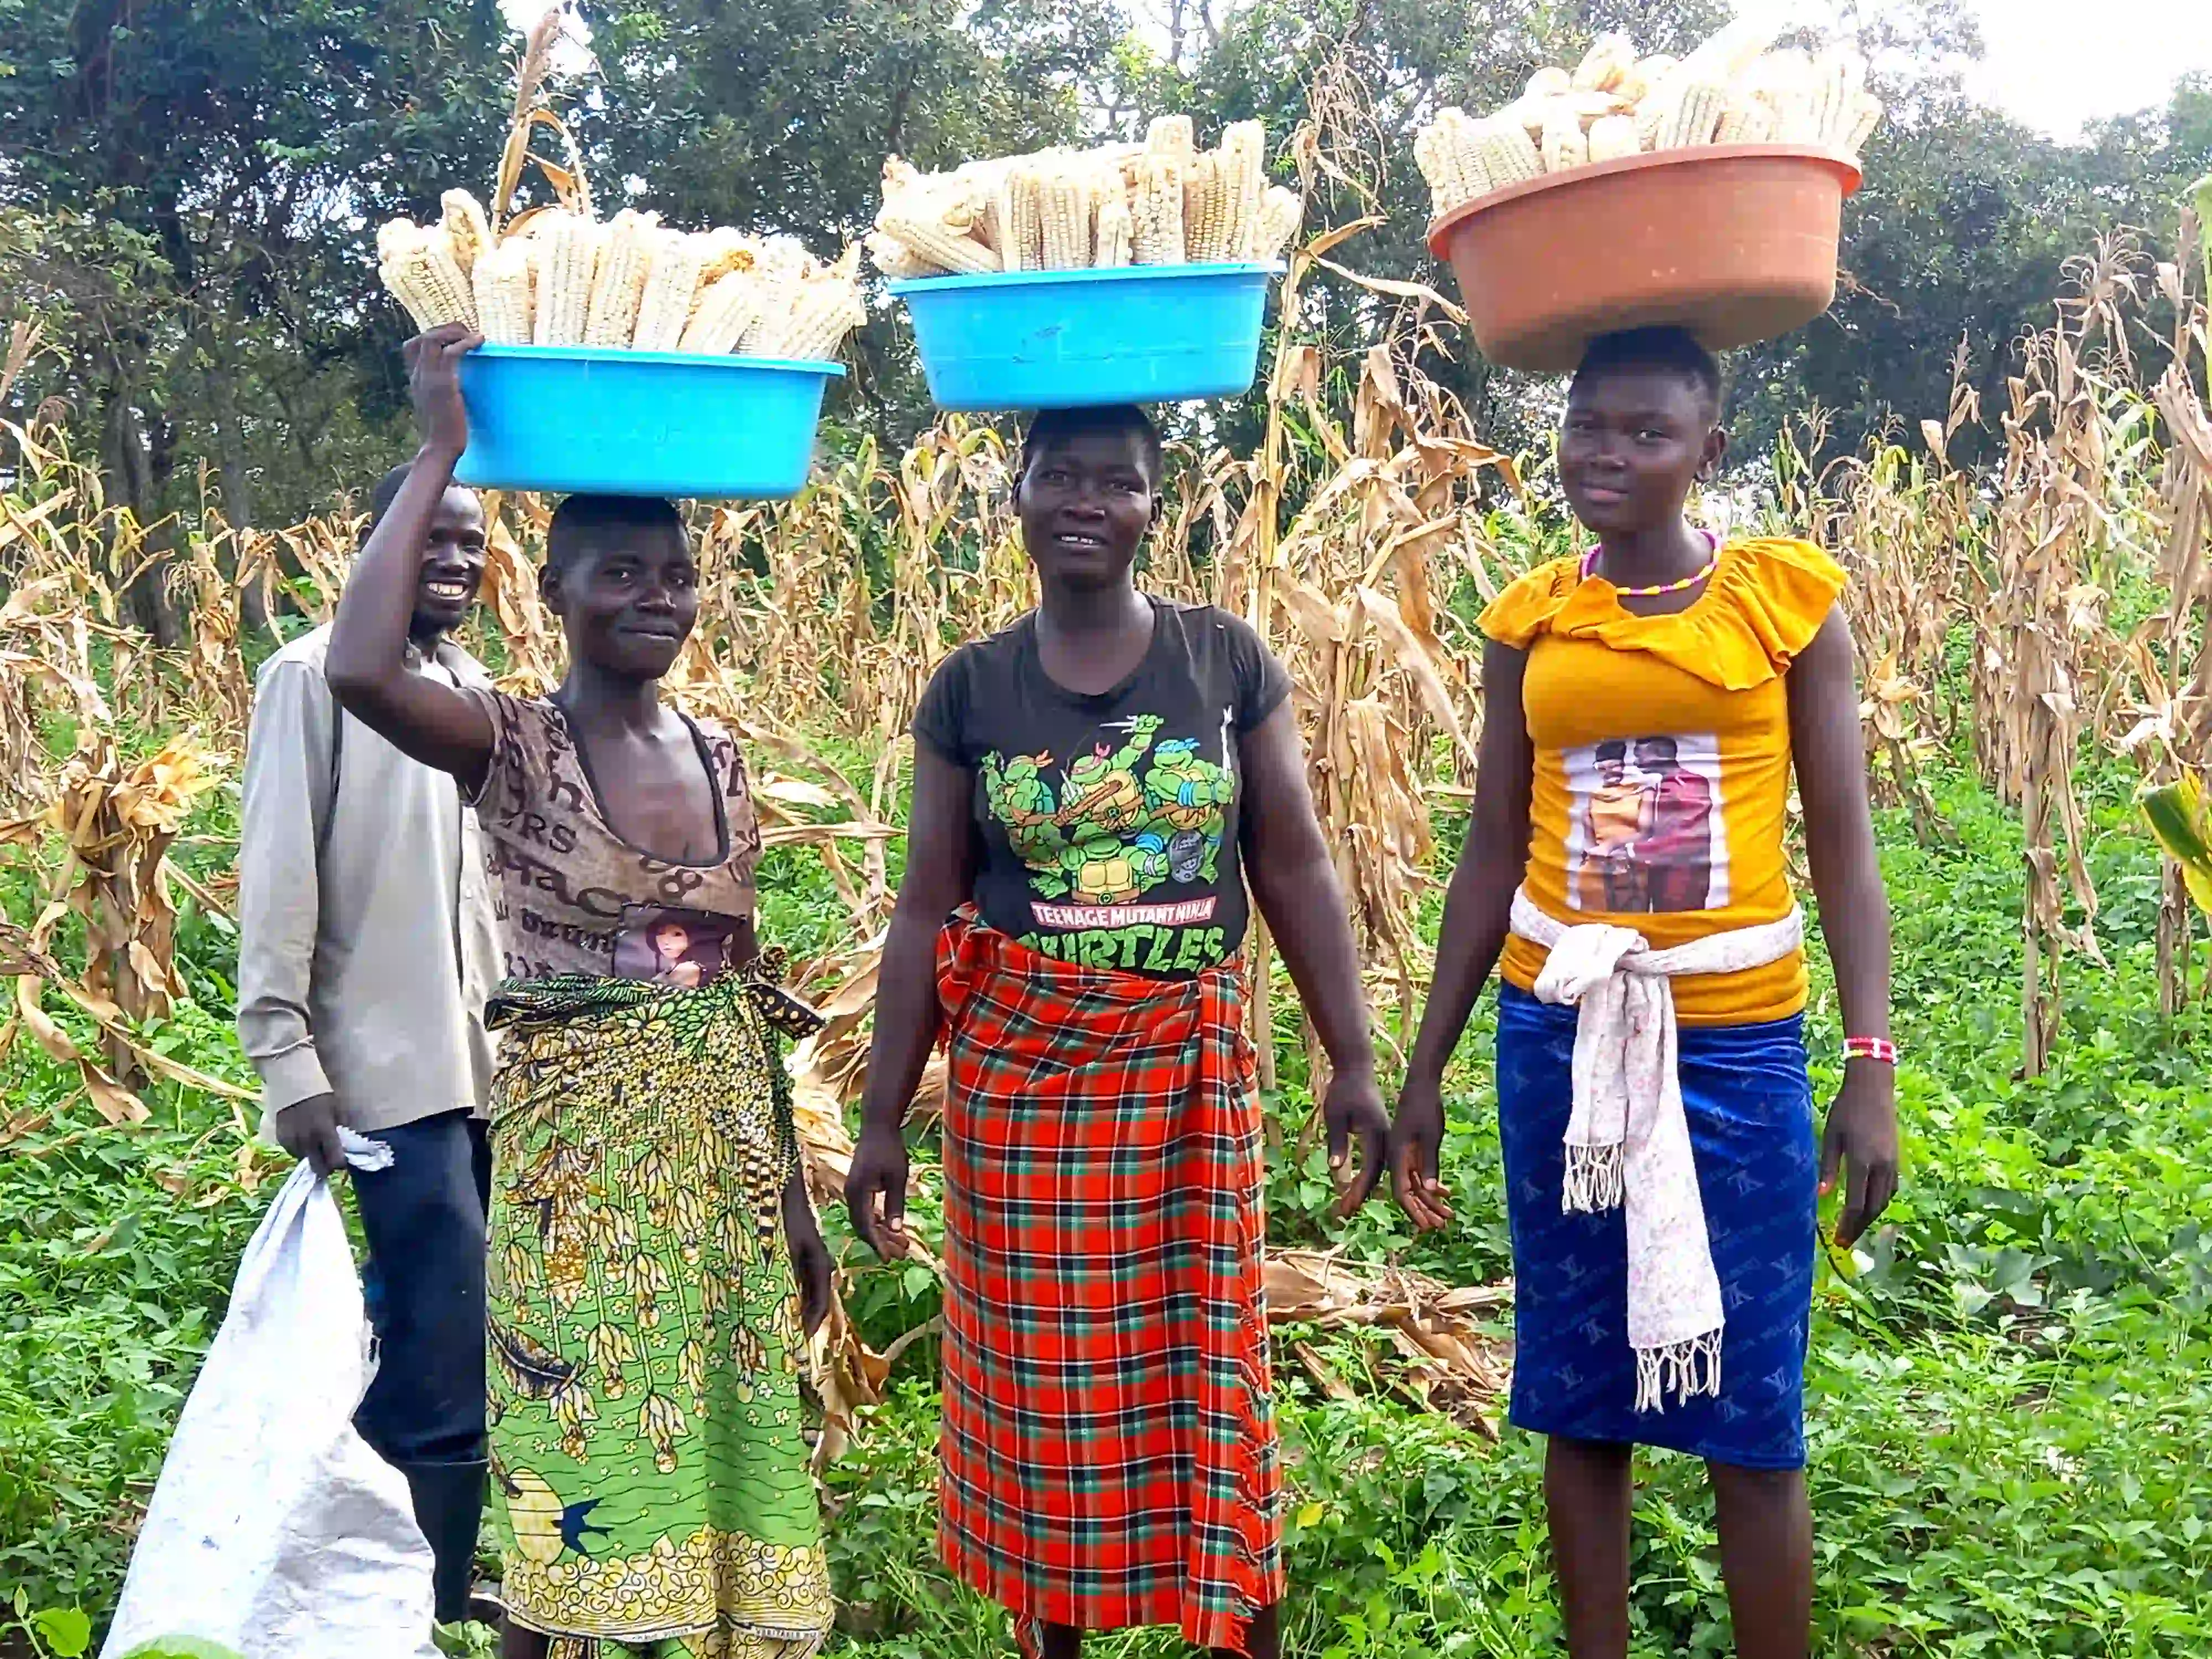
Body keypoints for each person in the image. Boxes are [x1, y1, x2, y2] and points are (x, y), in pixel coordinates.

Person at [845, 404, 1399, 1659]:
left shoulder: (1221, 662)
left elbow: (1293, 861)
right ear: (1018, 497)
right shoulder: (972, 687)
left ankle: (1239, 1634)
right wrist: (881, 1118)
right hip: (1024, 1088)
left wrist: (1350, 1057)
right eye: (1060, 477)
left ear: (1158, 507)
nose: (1086, 501)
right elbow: (927, 903)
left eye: (1120, 482)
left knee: (1210, 1370)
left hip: (1186, 1077)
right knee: (1046, 1392)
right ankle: (1058, 1644)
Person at [324, 322, 835, 1659]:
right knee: (579, 1443)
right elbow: (360, 671)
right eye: (621, 574)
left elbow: (740, 992)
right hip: (580, 1165)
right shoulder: (514, 742)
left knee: (716, 1438)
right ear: (548, 590)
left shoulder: (721, 756)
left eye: (676, 575)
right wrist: (441, 443)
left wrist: (795, 1205)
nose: (656, 597)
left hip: (718, 1154)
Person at [1388, 326, 1901, 1659]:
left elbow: (1842, 848)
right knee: (1577, 1387)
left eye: (1645, 433)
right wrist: (1423, 1068)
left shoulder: (1784, 605)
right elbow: (1491, 849)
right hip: (1556, 1029)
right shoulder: (1531, 619)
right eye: (1586, 426)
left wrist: (1868, 1064)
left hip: (1732, 1042)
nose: (1605, 455)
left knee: (1748, 1399)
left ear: (1707, 452)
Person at [235, 460, 504, 1627]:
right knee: (439, 1329)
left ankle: (416, 1573)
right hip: (385, 1074)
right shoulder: (311, 680)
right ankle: (424, 1604)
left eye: (473, 543)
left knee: (463, 1320)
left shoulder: (470, 684)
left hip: (486, 1064)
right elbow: (279, 872)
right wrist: (287, 1060)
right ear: (381, 541)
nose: (453, 559)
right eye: (431, 537)